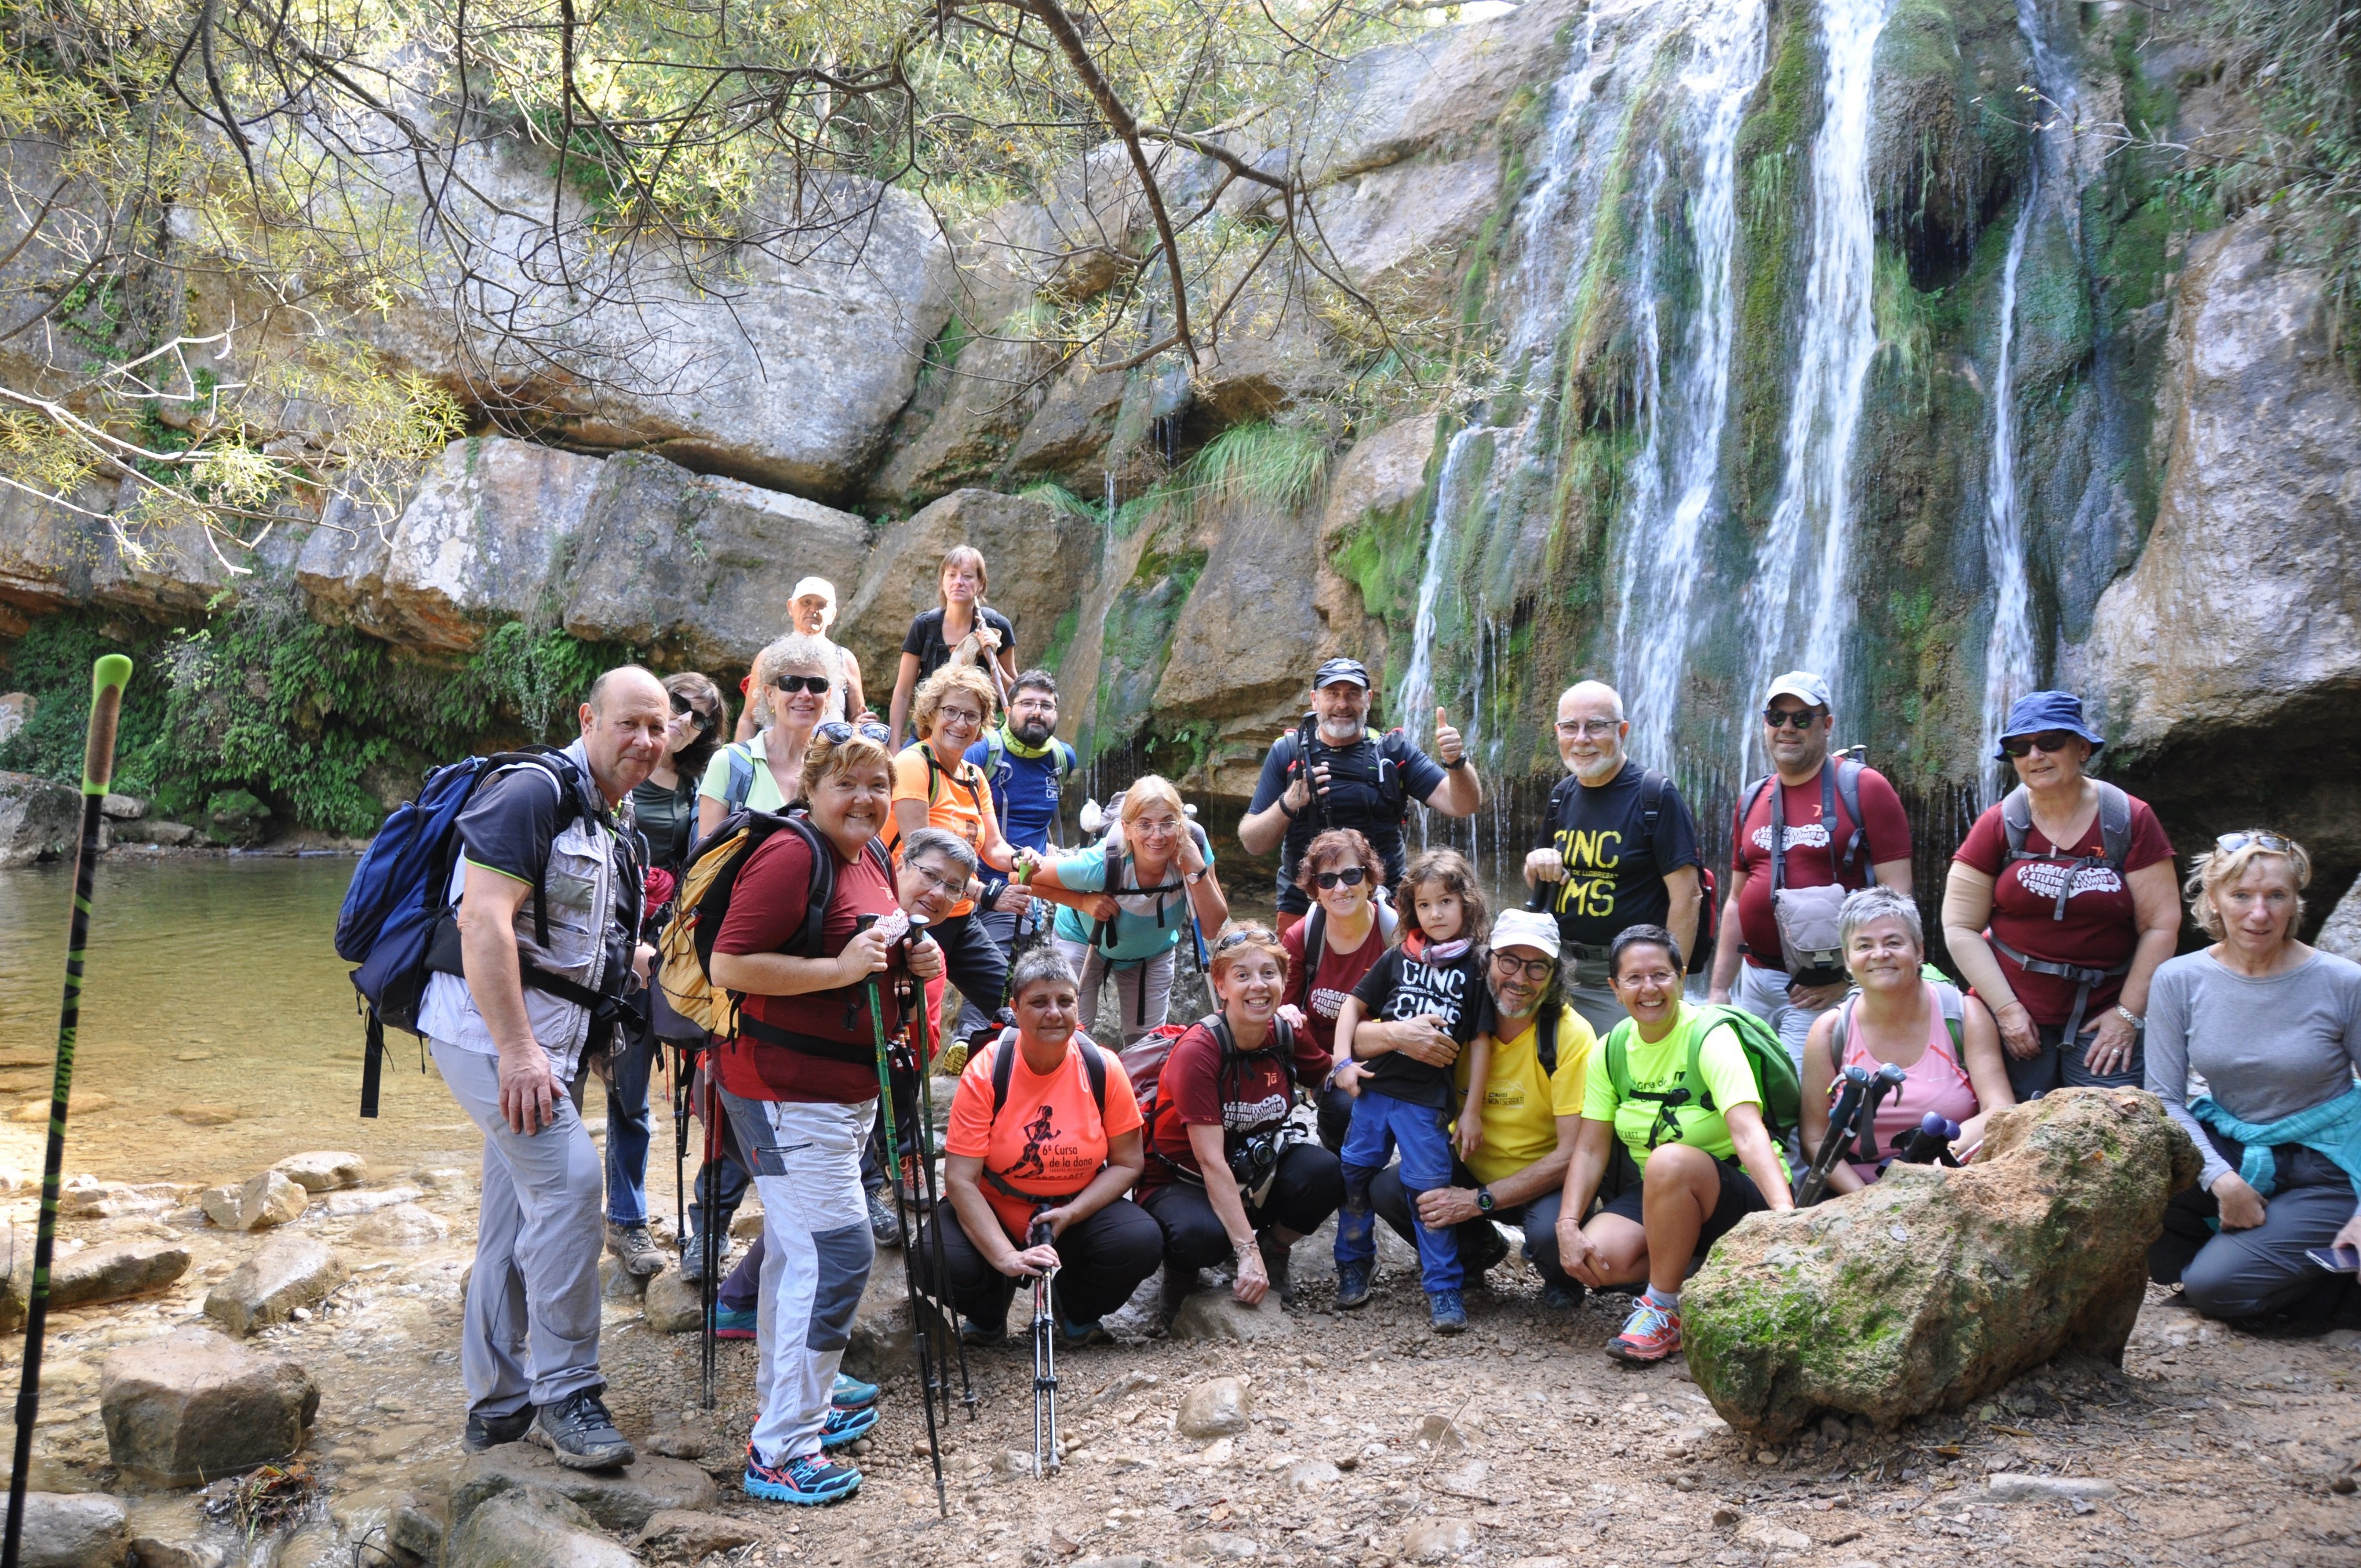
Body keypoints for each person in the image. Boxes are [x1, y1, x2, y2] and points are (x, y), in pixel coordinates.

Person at [425, 665, 667, 1467]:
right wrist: (519, 1052)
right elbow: (483, 922)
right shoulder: (532, 793)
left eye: (657, 727)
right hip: (490, 1036)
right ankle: (568, 1393)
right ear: (587, 719)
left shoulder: (613, 818)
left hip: (545, 1046)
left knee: (514, 1215)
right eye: (629, 722)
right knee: (569, 1186)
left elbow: (570, 940)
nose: (645, 740)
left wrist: (637, 969)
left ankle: (497, 1407)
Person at [704, 723, 952, 1507]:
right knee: (839, 1253)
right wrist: (842, 968)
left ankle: (789, 1405)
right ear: (810, 787)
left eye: (878, 784)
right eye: (847, 782)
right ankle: (783, 1448)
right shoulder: (791, 854)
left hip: (838, 1095)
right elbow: (729, 964)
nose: (867, 798)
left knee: (796, 1252)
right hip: (784, 1092)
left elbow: (869, 943)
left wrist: (914, 960)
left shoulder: (868, 853)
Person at [2147, 832, 2361, 1322]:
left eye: (2276, 896)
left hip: (2327, 1166)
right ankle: (2269, 1257)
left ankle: (2331, 1287)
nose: (2259, 914)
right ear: (2214, 899)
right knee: (2129, 1200)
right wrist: (2221, 1180)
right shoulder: (2178, 979)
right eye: (2242, 895)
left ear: (2295, 901)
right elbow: (2165, 1100)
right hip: (2237, 1150)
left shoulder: (2343, 982)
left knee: (2213, 1288)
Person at [1555, 926, 1793, 1365]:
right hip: (1663, 1195)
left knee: (1668, 1161)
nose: (1649, 989)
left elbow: (1747, 1130)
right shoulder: (1610, 1049)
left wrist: (1783, 1216)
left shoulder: (1709, 1035)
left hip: (1737, 1189)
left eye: (1660, 975)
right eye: (1634, 978)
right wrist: (1567, 1223)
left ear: (1682, 978)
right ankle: (1700, 1277)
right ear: (1615, 988)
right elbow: (1589, 1149)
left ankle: (1663, 1309)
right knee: (1597, 1259)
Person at [919, 949, 1164, 1347]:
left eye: (1065, 1001)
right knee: (934, 1257)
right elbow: (961, 1179)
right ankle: (989, 1311)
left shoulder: (1103, 1067)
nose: (1054, 1013)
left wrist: (1073, 1212)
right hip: (997, 1207)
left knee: (1141, 1240)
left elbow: (1128, 1163)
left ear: (1077, 1007)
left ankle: (1074, 1309)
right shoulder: (986, 1072)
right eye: (1039, 1002)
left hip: (1073, 1212)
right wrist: (1005, 1257)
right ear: (1015, 1009)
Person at [1941, 691, 2178, 1100]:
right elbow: (1960, 925)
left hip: (2103, 1016)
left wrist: (2127, 1015)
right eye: (2020, 748)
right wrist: (2006, 1010)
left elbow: (2161, 925)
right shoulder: (2000, 823)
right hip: (2014, 1016)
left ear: (2082, 749)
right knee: (2012, 1129)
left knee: (2111, 1124)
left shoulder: (2128, 818)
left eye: (2049, 742)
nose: (2035, 756)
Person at [1369, 909, 1597, 1310]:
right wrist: (1394, 1035)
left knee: (1549, 1235)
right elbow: (1360, 1036)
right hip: (1471, 1164)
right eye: (1508, 961)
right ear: (1487, 961)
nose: (1520, 979)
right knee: (1391, 1190)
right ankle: (1475, 1252)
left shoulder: (1571, 1035)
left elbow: (1571, 1155)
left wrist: (1479, 1201)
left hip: (1545, 1181)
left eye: (1537, 967)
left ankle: (1561, 1276)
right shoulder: (1453, 1016)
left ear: (1554, 975)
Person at [1139, 923, 1344, 1321]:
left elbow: (1327, 1074)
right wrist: (1244, 1251)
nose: (1258, 986)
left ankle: (1275, 1249)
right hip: (1183, 1180)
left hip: (1253, 1174)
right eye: (1243, 975)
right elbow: (1211, 1161)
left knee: (1327, 1173)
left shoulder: (1285, 1032)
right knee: (1203, 1237)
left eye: (1269, 973)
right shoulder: (1199, 1051)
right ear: (1221, 985)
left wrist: (1380, 1053)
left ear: (1284, 981)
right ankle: (1182, 1273)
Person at [1709, 672, 1913, 1068]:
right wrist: (1719, 990)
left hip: (1820, 989)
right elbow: (1736, 900)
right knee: (1752, 1088)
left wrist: (1849, 980)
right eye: (1777, 717)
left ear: (1828, 725)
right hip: (1754, 982)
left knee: (1800, 1094)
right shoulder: (1752, 798)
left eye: (1802, 718)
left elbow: (1898, 903)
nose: (1787, 727)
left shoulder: (1865, 789)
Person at [1331, 849, 1492, 1332]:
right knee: (1354, 1175)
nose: (1435, 914)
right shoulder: (1398, 957)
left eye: (1446, 902)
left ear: (1467, 904)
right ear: (1411, 910)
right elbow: (1351, 1007)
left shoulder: (1476, 967)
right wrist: (1342, 1063)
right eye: (1424, 905)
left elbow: (1481, 1042)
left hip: (1426, 1102)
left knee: (1429, 1192)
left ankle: (1443, 1287)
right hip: (1376, 1089)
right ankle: (1354, 1262)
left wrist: (1472, 1111)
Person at [608, 672, 730, 1280]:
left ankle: (707, 1218)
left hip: (681, 952)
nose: (685, 719)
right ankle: (626, 1219)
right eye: (677, 704)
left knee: (705, 1088)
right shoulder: (619, 777)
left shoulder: (702, 783)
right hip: (624, 949)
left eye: (699, 715)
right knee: (628, 1090)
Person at [1236, 658, 1482, 926]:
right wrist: (1288, 802)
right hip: (1303, 907)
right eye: (1333, 694)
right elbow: (1253, 843)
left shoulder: (1392, 751)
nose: (1343, 704)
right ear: (1315, 700)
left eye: (1353, 694)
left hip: (1384, 904)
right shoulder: (1287, 752)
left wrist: (1456, 761)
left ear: (1368, 700)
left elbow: (1463, 806)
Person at [1797, 887, 2012, 1191]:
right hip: (1858, 1192)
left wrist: (1940, 1162)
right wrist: (1866, 1200)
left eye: (1893, 942)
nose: (1880, 954)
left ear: (1919, 951)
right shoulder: (1830, 1032)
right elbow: (1815, 1139)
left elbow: (1999, 1107)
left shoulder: (1964, 1015)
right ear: (1847, 959)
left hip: (1953, 1180)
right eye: (1864, 945)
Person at [1525, 681, 1705, 1037]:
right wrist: (1534, 863)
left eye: (1596, 726)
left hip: (1627, 976)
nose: (1582, 739)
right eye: (1570, 727)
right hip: (1560, 968)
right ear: (1557, 733)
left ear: (1622, 731)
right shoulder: (1562, 795)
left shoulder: (1655, 796)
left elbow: (1688, 896)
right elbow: (1542, 878)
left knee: (1621, 1065)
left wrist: (1671, 984)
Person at [1033, 775, 1229, 1043]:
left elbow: (1213, 928)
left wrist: (1196, 868)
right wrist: (1083, 902)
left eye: (1168, 823)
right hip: (1082, 939)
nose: (1157, 836)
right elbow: (1024, 877)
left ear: (1181, 825)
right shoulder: (1102, 862)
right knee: (1072, 1035)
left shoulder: (1194, 848)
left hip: (1152, 954)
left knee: (1147, 1047)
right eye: (1145, 825)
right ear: (1126, 829)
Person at [954, 669, 1080, 1042]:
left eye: (1046, 706)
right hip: (971, 880)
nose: (1037, 712)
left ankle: (974, 1039)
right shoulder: (983, 752)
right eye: (1027, 704)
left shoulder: (1062, 759)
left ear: (1057, 714)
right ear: (1009, 711)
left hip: (1019, 886)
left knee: (1000, 960)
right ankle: (972, 1039)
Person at [1278, 829, 1396, 1151]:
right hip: (1324, 1066)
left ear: (1370, 881)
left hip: (1384, 1062)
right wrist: (1328, 1066)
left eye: (1351, 875)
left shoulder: (1395, 936)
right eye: (1327, 880)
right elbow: (1286, 1017)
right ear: (1315, 890)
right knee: (1345, 1110)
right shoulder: (1302, 937)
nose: (1340, 888)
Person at [699, 633, 838, 840]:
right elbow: (707, 856)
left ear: (828, 696)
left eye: (817, 685)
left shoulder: (836, 766)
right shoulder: (729, 764)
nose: (805, 694)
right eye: (791, 683)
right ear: (769, 694)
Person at [888, 546, 1017, 747]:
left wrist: (992, 658)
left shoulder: (997, 627)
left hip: (977, 738)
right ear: (943, 581)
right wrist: (895, 746)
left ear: (980, 584)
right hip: (928, 733)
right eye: (952, 575)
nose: (958, 582)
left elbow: (1015, 695)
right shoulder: (924, 626)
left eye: (967, 576)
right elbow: (903, 692)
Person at [737, 578, 863, 738]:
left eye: (822, 605)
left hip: (832, 751)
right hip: (777, 750)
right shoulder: (768, 657)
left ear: (832, 615)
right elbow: (749, 718)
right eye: (806, 602)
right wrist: (741, 753)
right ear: (791, 607)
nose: (813, 610)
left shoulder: (845, 659)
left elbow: (858, 718)